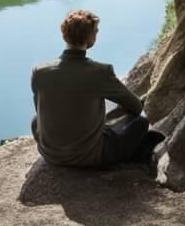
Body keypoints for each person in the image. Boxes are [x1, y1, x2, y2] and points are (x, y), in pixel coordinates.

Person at [31, 9, 163, 168]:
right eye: (96, 31)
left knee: (35, 119)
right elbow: (135, 106)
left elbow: (41, 111)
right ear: (90, 37)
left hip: (50, 155)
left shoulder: (40, 71)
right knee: (141, 122)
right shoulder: (101, 72)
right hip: (90, 157)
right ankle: (130, 156)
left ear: (63, 34)